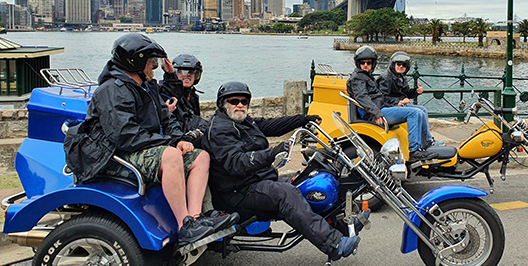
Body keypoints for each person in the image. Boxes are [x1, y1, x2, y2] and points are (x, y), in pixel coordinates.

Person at [63, 33, 234, 246]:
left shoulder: (147, 87)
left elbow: (166, 118)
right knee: (171, 155)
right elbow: (124, 134)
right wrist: (167, 145)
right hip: (111, 156)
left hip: (135, 148)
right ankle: (184, 226)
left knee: (200, 157)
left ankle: (195, 219)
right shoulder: (112, 90)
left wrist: (178, 139)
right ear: (135, 62)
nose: (154, 67)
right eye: (150, 62)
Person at [201, 81, 362, 262]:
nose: (240, 105)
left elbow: (271, 125)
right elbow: (236, 162)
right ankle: (334, 244)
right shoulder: (219, 129)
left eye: (244, 101)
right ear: (222, 103)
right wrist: (273, 153)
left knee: (306, 184)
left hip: (256, 182)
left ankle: (341, 226)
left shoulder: (244, 122)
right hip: (237, 193)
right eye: (234, 101)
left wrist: (302, 119)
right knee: (286, 194)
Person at [346, 46, 438, 162]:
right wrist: (376, 113)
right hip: (376, 112)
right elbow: (362, 96)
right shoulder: (358, 78)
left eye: (368, 63)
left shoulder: (365, 76)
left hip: (381, 108)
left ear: (372, 64)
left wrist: (414, 92)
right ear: (358, 63)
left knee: (419, 111)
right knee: (414, 113)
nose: (365, 65)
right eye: (362, 62)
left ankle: (421, 146)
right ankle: (414, 151)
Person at [376, 51, 443, 148]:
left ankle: (428, 141)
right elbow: (382, 97)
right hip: (390, 106)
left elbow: (406, 93)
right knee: (417, 112)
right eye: (398, 64)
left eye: (404, 65)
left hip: (400, 104)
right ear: (393, 64)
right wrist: (398, 102)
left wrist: (416, 91)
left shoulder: (401, 77)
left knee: (423, 109)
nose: (401, 66)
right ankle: (419, 145)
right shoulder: (386, 78)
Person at [160, 54, 207, 135]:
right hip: (174, 134)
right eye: (183, 72)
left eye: (191, 72)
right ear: (175, 73)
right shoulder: (166, 91)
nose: (187, 75)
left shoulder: (192, 96)